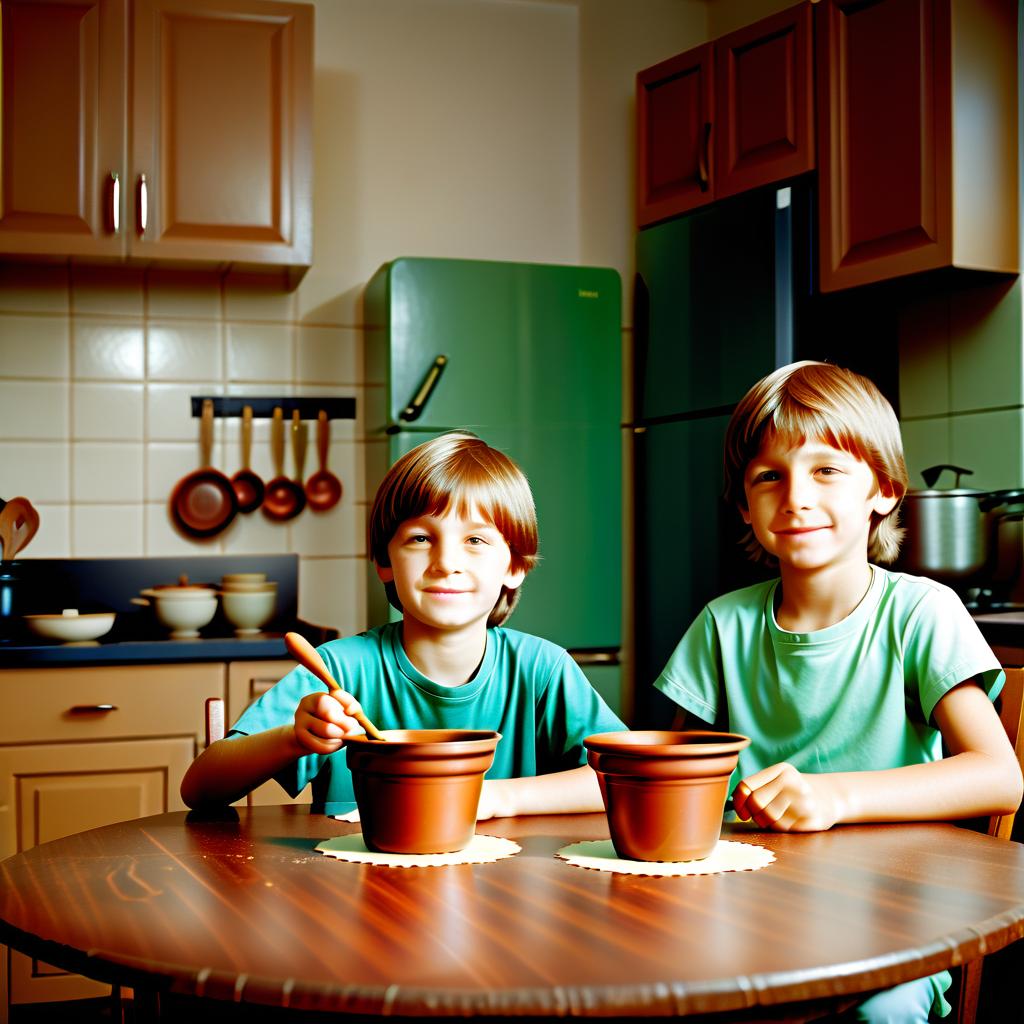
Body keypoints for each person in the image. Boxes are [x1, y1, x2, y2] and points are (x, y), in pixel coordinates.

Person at [653, 361, 1022, 1022]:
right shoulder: (723, 624)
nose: (795, 495)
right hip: (749, 908)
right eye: (769, 475)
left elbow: (999, 778)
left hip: (895, 919)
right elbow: (672, 775)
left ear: (882, 489)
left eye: (827, 470)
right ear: (744, 503)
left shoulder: (921, 613)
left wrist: (836, 795)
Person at [181, 431, 623, 818]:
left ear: (516, 566)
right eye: (420, 538)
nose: (446, 562)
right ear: (384, 562)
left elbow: (622, 779)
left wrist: (491, 799)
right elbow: (200, 789)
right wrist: (293, 739)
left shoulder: (542, 670)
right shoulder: (339, 672)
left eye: (475, 540)